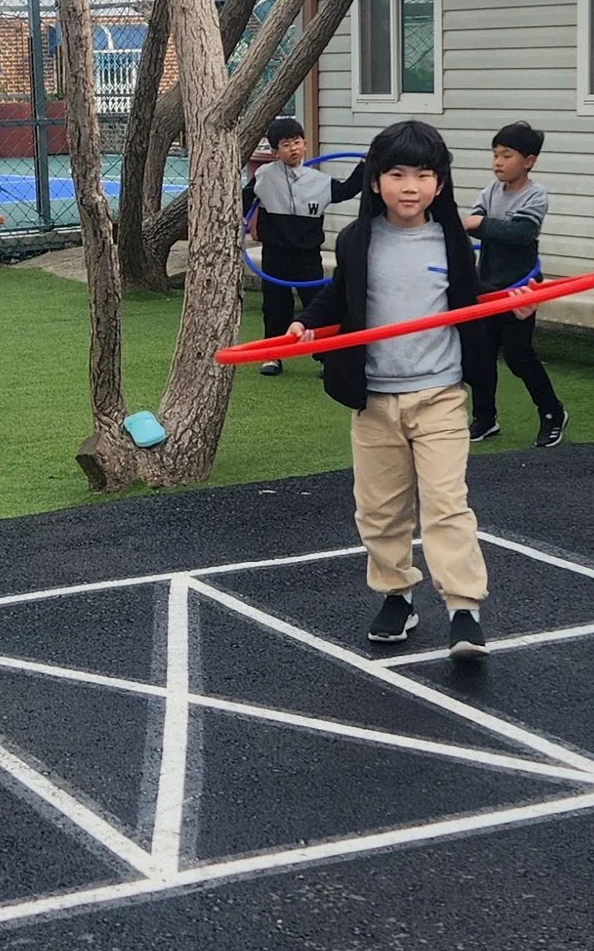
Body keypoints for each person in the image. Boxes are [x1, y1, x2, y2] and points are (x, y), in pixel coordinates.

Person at [315, 116, 489, 657]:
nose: (409, 186)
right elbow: (337, 299)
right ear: (374, 181)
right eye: (396, 174)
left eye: (422, 174)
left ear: (440, 183)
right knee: (379, 510)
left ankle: (463, 607)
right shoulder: (356, 239)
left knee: (445, 503)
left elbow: (475, 304)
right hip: (374, 400)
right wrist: (304, 324)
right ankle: (396, 594)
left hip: (438, 394)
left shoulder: (453, 240)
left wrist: (515, 309)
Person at [462, 123, 566, 447]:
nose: (498, 162)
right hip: (488, 286)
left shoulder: (535, 195)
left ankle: (552, 413)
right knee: (480, 356)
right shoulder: (490, 191)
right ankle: (484, 417)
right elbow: (471, 226)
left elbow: (520, 233)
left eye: (507, 155)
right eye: (495, 155)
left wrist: (481, 224)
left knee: (519, 355)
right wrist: (476, 226)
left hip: (521, 290)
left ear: (529, 161)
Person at [241, 116, 336, 375]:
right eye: (285, 145)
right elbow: (244, 199)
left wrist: (365, 168)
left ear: (305, 144)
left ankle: (326, 356)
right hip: (275, 253)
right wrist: (239, 220)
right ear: (274, 152)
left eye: (296, 142)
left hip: (308, 255)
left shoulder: (318, 180)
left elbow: (345, 190)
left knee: (317, 305)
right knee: (274, 306)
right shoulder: (264, 176)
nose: (292, 148)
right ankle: (273, 356)